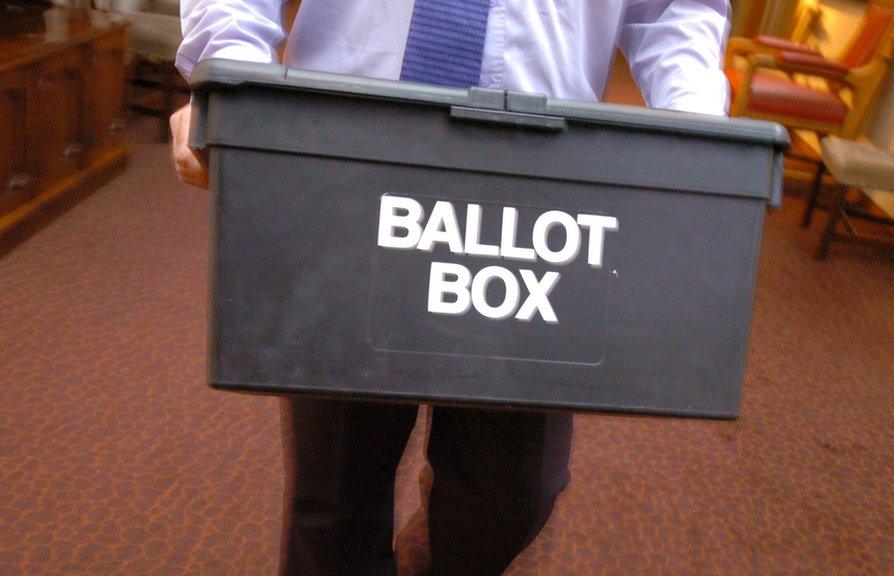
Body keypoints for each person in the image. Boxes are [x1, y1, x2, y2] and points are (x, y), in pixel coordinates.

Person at [171, 2, 730, 575]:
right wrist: (232, 79)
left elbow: (674, 9)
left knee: (513, 496)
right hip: (345, 157)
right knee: (335, 496)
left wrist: (695, 134)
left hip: (543, 182)